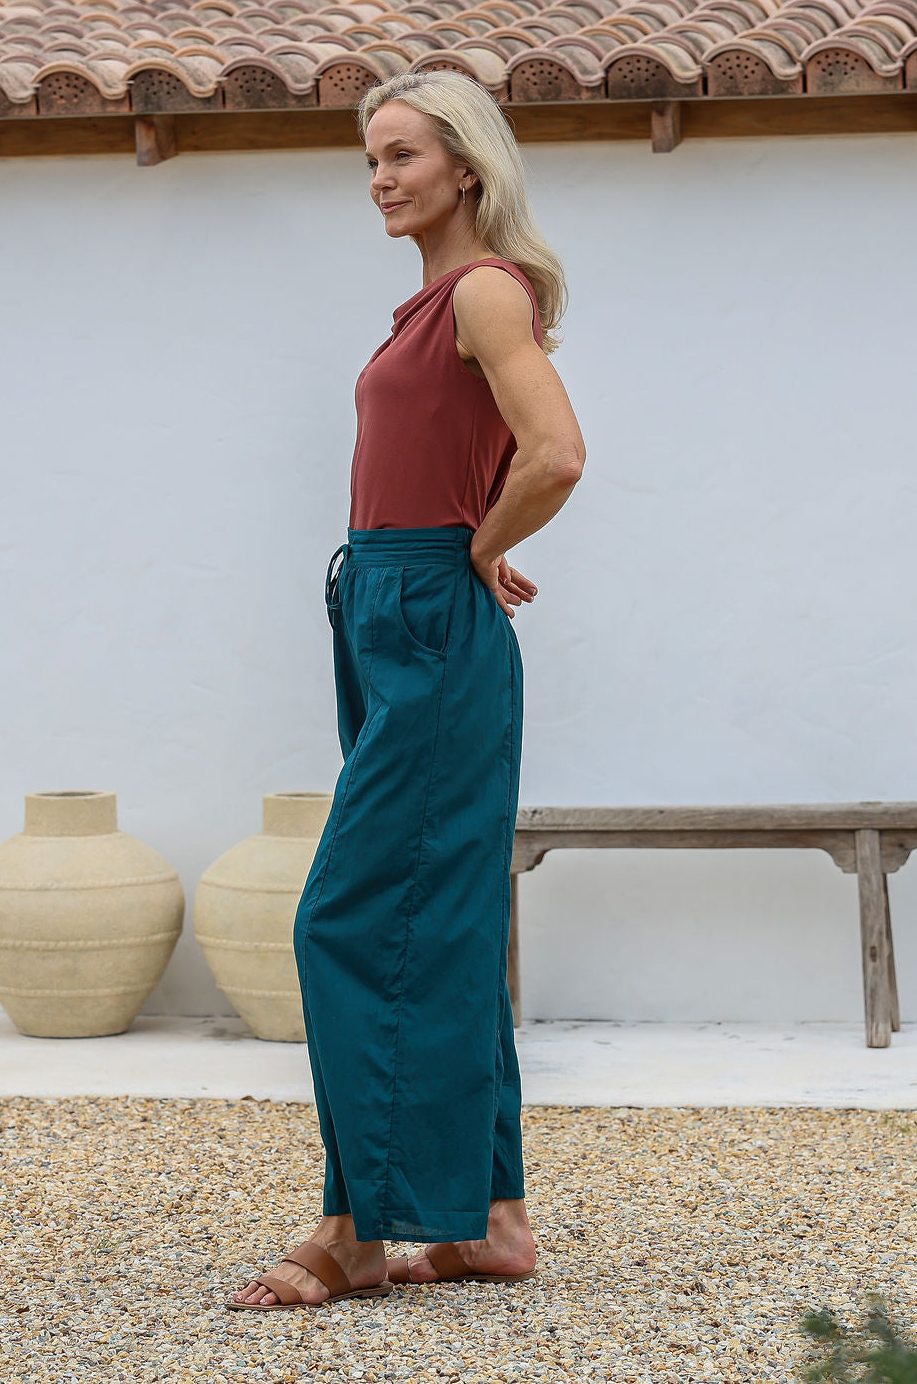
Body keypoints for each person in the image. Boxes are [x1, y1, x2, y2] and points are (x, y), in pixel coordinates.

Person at [228, 68, 585, 1311]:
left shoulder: (482, 291)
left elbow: (558, 453)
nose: (380, 177)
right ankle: (491, 1216)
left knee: (351, 917)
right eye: (370, 159)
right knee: (437, 914)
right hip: (388, 609)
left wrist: (476, 549)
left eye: (402, 155)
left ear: (467, 167)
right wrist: (453, 548)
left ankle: (356, 1227)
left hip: (428, 612)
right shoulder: (428, 302)